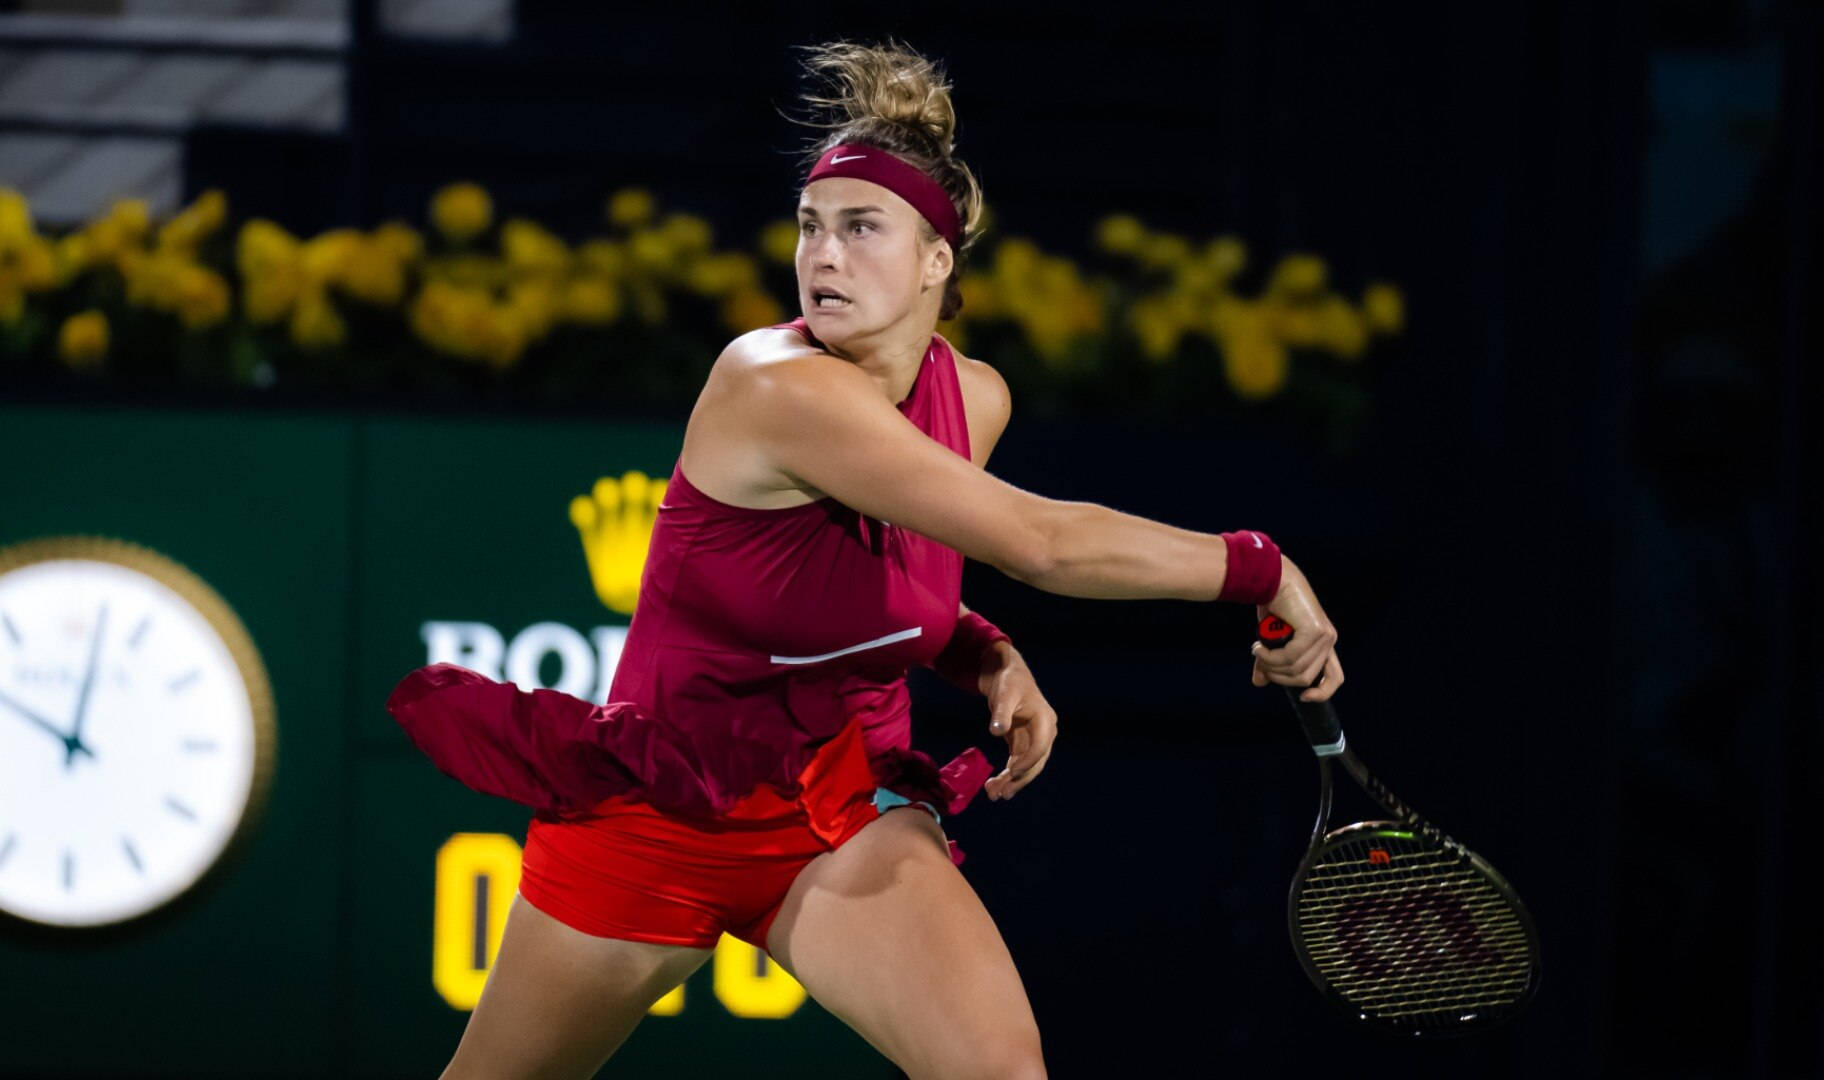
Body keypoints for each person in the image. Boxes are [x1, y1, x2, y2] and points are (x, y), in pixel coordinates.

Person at [387, 40, 1343, 1080]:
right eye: (809, 228)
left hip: (836, 808)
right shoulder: (773, 385)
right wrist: (1262, 568)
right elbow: (1040, 543)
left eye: (860, 228)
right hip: (659, 817)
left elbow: (891, 577)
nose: (823, 256)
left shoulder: (974, 399)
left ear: (938, 258)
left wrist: (979, 651)